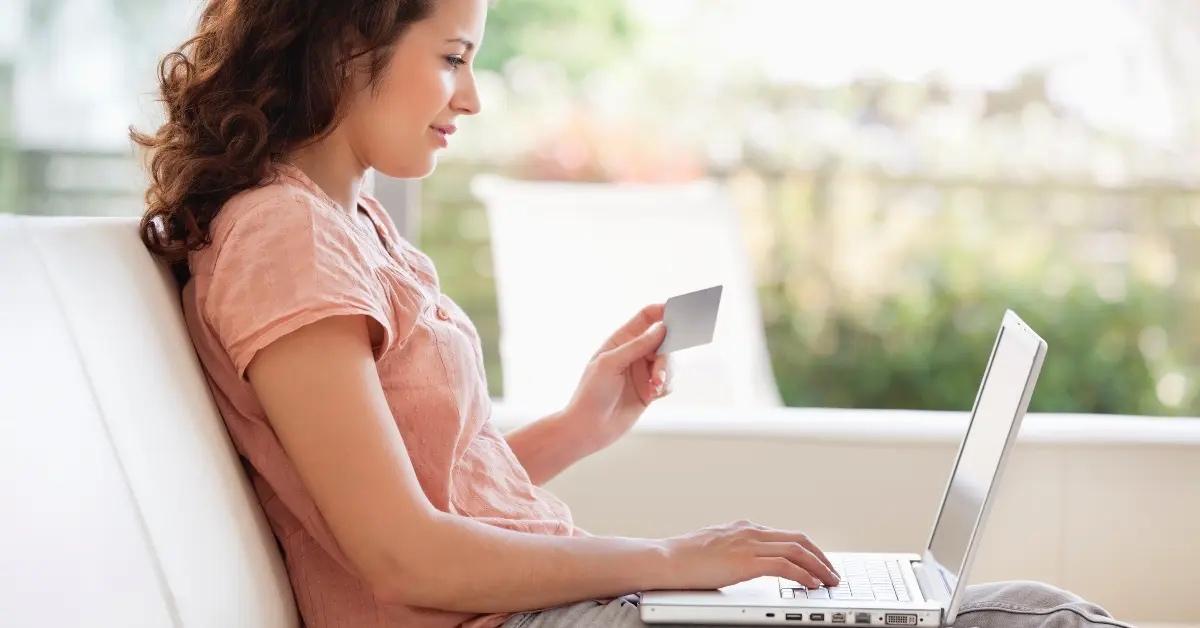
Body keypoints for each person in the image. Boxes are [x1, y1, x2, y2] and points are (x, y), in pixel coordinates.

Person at [130, 1, 1134, 627]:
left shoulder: (345, 224)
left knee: (1031, 612)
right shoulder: (285, 237)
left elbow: (414, 495)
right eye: (451, 55)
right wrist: (676, 560)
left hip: (549, 606)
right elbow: (398, 556)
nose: (471, 97)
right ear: (349, 44)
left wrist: (579, 426)